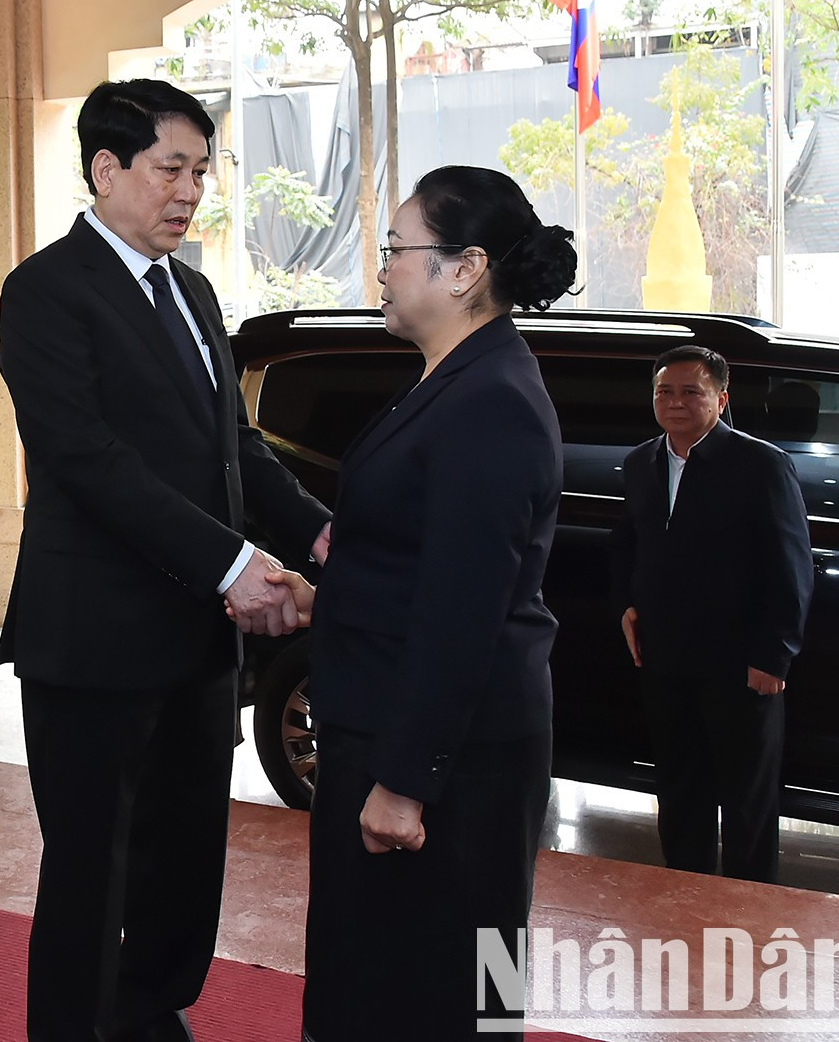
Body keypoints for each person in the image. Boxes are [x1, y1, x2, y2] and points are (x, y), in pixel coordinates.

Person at [0, 78, 331, 1042]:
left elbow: (235, 446)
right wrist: (234, 568)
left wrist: (315, 532)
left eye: (201, 171)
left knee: (187, 856)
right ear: (107, 170)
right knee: (92, 867)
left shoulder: (193, 288)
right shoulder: (46, 290)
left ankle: (151, 1011)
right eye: (170, 169)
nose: (189, 191)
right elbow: (89, 461)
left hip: (195, 640)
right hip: (93, 639)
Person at [265, 165, 576, 1040]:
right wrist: (328, 599)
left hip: (449, 767)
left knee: (443, 998)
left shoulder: (490, 401)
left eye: (399, 249)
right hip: (408, 735)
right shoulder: (452, 378)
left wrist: (403, 785)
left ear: (464, 268)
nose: (384, 268)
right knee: (376, 983)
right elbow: (417, 563)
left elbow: (464, 610)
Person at [613, 345, 811, 883]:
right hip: (666, 659)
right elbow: (630, 543)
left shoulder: (761, 465)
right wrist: (629, 604)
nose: (675, 402)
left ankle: (751, 908)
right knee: (679, 788)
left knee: (747, 800)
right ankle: (686, 894)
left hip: (741, 662)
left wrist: (774, 655)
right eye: (664, 391)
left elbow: (790, 566)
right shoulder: (640, 463)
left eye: (691, 391)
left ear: (721, 400)